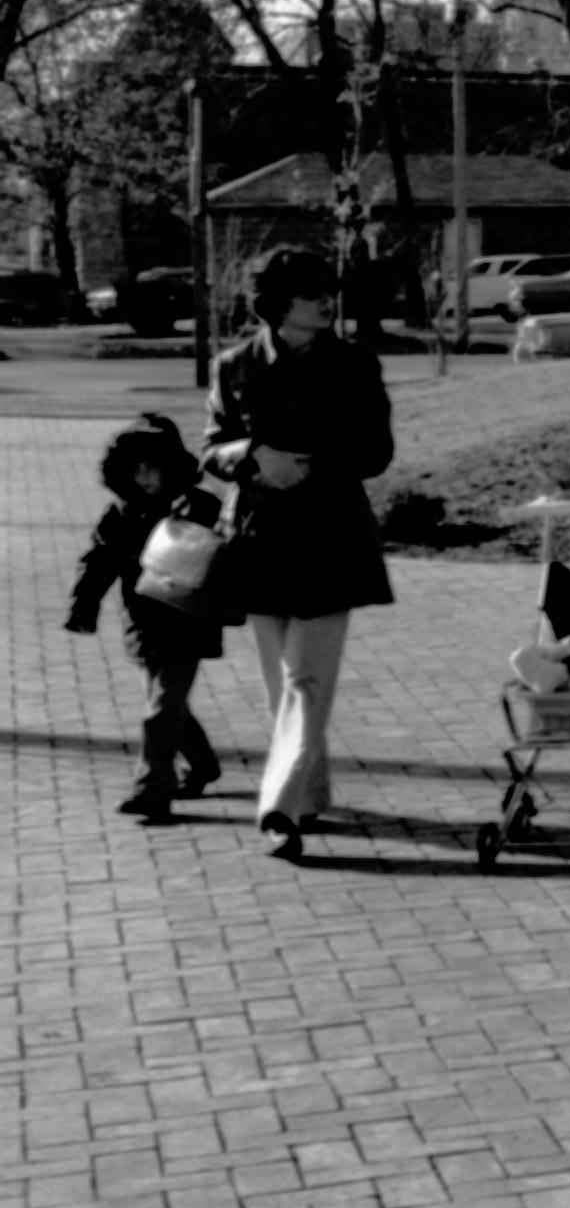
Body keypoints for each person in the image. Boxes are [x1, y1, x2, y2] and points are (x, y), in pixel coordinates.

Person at [205, 244, 395, 858]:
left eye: (328, 289)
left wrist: (305, 467)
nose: (327, 300)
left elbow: (376, 451)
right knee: (280, 684)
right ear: (277, 304)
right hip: (258, 539)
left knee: (306, 681)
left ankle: (279, 807)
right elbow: (213, 447)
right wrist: (253, 458)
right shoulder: (234, 366)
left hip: (330, 537)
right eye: (313, 291)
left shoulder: (356, 365)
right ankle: (310, 796)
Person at [65, 413, 228, 824]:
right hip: (141, 620)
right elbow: (99, 561)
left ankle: (152, 791)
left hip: (187, 620)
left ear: (171, 466)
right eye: (135, 468)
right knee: (166, 704)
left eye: (152, 466)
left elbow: (224, 555)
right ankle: (203, 765)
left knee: (161, 705)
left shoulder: (199, 505)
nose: (144, 476)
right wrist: (83, 607)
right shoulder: (122, 513)